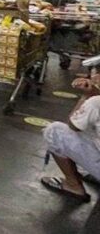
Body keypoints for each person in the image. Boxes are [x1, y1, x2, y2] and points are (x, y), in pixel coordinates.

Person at [41, 72, 100, 203]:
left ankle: (73, 185)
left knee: (54, 131)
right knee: (90, 125)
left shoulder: (95, 103)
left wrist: (86, 96)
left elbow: (73, 125)